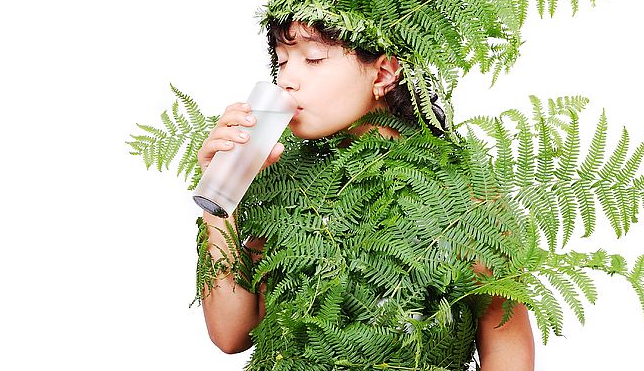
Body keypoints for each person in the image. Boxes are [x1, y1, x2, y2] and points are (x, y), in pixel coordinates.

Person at [196, 19, 535, 370]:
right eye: (282, 61)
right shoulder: (295, 180)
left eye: (312, 59)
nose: (285, 80)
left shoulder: (461, 193)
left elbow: (506, 346)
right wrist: (221, 191)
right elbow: (232, 333)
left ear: (384, 73)